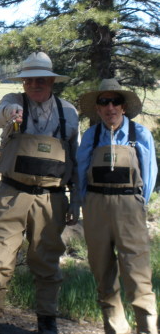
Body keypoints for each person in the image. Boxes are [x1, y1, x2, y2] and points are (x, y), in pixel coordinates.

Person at [0, 52, 80, 334]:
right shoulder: (14, 102)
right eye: (29, 80)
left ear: (51, 81)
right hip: (12, 194)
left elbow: (76, 158)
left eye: (40, 79)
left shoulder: (68, 112)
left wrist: (76, 200)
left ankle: (47, 322)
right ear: (23, 83)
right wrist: (8, 115)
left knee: (46, 262)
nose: (34, 84)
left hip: (53, 198)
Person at [77, 79, 158, 334]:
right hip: (96, 207)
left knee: (137, 275)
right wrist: (82, 204)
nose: (110, 107)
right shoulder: (92, 135)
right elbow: (80, 171)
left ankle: (147, 329)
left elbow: (150, 175)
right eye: (104, 102)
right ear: (98, 108)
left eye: (115, 101)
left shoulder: (140, 134)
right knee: (103, 274)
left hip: (129, 208)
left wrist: (136, 204)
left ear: (123, 107)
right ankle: (115, 329)